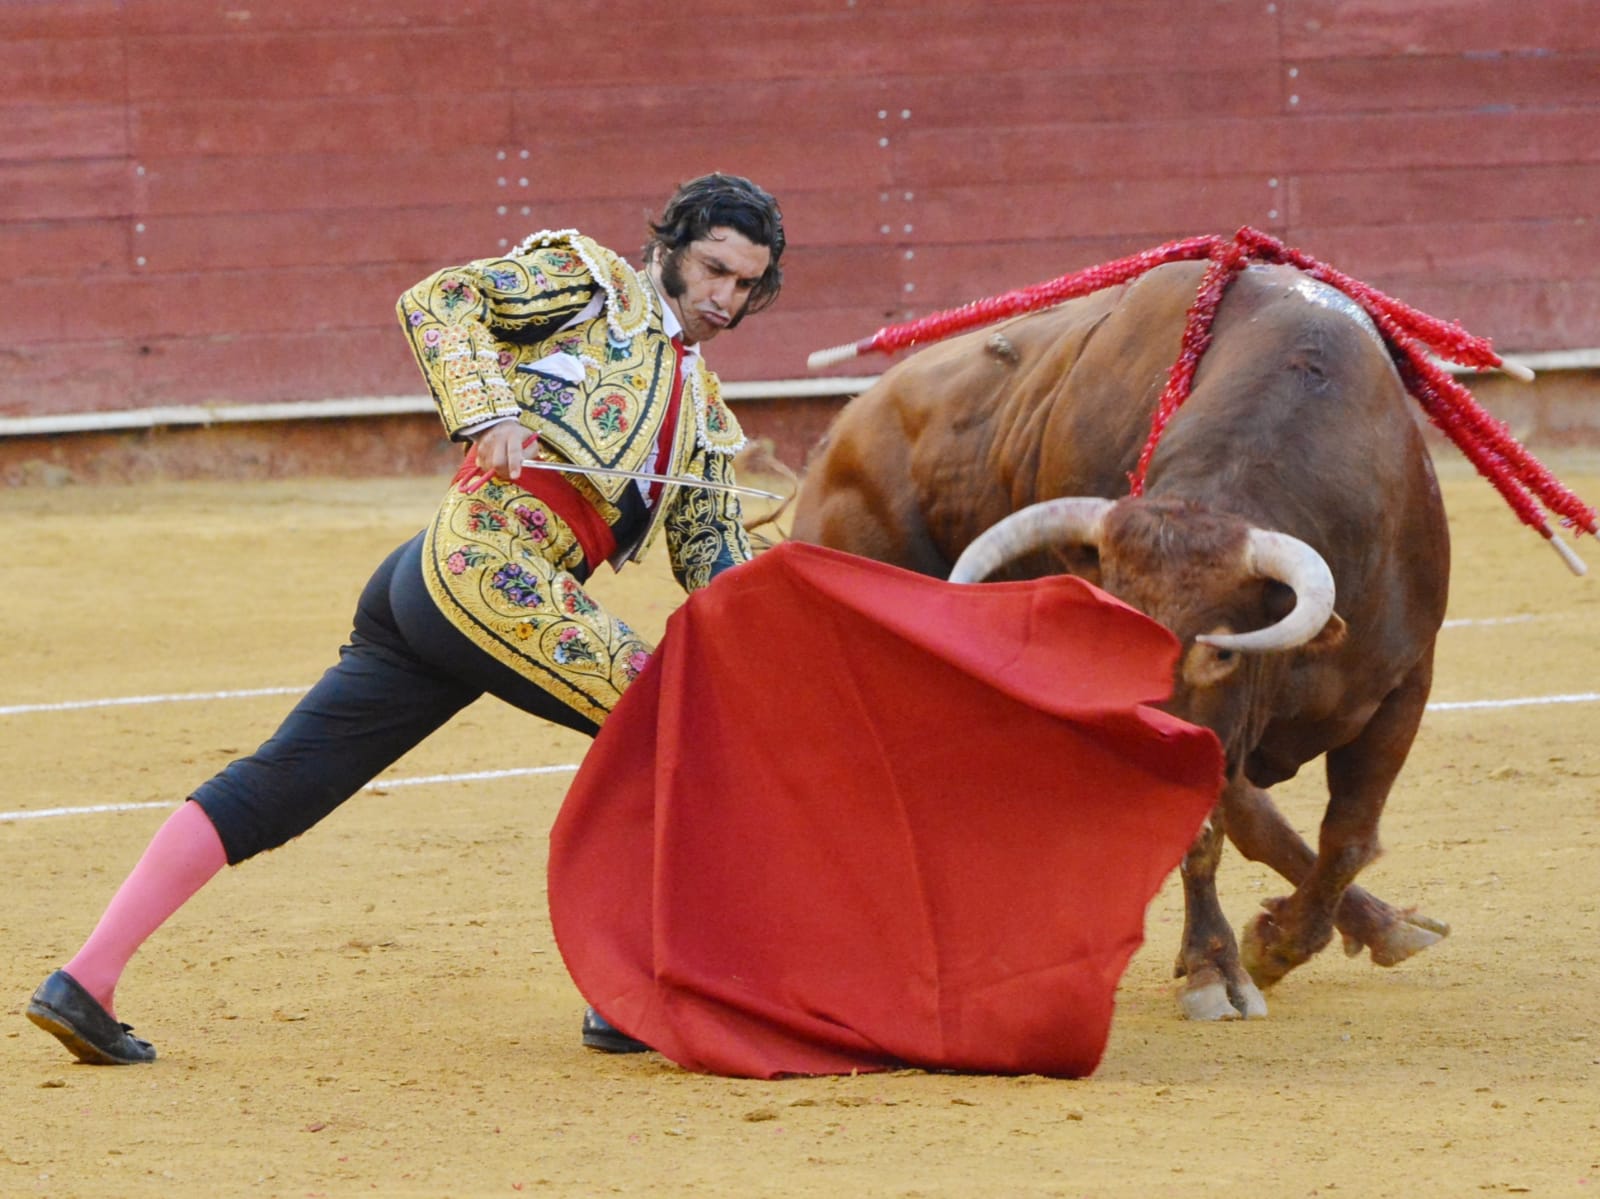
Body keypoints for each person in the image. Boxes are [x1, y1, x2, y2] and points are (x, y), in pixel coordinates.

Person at [26, 173, 786, 1065]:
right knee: (672, 725)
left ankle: (85, 979)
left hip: (438, 588)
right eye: (713, 269)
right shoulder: (590, 287)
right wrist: (488, 411)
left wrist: (805, 590)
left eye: (746, 284)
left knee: (288, 780)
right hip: (484, 564)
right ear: (669, 249)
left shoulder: (705, 416)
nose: (725, 297)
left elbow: (715, 564)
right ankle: (623, 992)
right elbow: (442, 298)